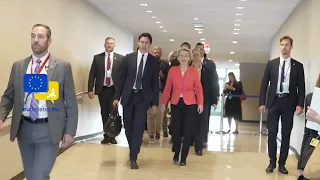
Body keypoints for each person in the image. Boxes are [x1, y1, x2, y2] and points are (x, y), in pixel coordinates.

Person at [0, 24, 78, 180]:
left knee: (39, 176)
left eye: (41, 36)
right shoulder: (19, 66)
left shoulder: (62, 67)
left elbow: (71, 102)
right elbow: (8, 96)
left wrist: (70, 131)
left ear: (49, 41)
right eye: (33, 36)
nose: (36, 40)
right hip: (24, 129)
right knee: (31, 175)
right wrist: (1, 116)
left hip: (49, 130)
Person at [259, 35, 305, 174]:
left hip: (288, 103)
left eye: (287, 45)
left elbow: (301, 87)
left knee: (286, 134)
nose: (284, 47)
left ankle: (282, 164)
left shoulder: (298, 66)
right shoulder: (271, 64)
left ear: (291, 47)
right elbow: (264, 85)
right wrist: (262, 103)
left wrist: (300, 104)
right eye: (282, 45)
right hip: (273, 102)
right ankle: (272, 162)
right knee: (272, 133)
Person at [113, 33, 159, 169]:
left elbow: (155, 84)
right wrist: (116, 97)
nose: (144, 45)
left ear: (149, 45)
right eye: (142, 42)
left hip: (142, 98)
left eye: (147, 43)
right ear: (138, 43)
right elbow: (121, 79)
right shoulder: (128, 58)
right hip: (128, 96)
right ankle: (133, 148)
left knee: (138, 127)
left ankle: (134, 157)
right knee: (128, 126)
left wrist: (155, 103)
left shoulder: (153, 61)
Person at [160, 47, 204, 166]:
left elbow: (199, 89)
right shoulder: (173, 70)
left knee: (187, 131)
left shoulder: (193, 72)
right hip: (176, 104)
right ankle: (176, 152)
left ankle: (183, 157)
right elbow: (168, 88)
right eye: (181, 56)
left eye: (186, 56)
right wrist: (164, 102)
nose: (183, 58)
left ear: (189, 58)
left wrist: (200, 103)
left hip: (190, 104)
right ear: (178, 58)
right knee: (176, 130)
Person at [88, 37, 124, 144]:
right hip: (102, 89)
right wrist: (90, 89)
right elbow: (92, 74)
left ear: (114, 45)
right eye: (107, 43)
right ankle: (106, 135)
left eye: (111, 43)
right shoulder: (97, 58)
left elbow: (122, 76)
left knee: (113, 111)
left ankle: (113, 135)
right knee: (104, 112)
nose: (109, 45)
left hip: (114, 89)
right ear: (104, 45)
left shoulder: (121, 58)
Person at [191, 48, 218, 156]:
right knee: (191, 122)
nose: (196, 56)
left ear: (202, 54)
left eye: (198, 54)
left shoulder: (206, 68)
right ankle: (190, 142)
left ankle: (199, 147)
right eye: (194, 54)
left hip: (204, 99)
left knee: (201, 123)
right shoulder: (188, 68)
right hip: (190, 99)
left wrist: (214, 100)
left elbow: (213, 83)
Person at [296, 73, 320, 180]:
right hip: (313, 148)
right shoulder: (311, 98)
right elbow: (307, 134)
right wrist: (300, 167)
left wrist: (318, 119)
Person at [147, 46, 169, 140]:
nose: (156, 54)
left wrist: (162, 75)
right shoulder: (148, 63)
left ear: (161, 53)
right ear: (152, 53)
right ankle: (151, 133)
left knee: (159, 113)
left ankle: (157, 132)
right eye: (155, 52)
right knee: (149, 113)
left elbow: (169, 79)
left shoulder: (165, 64)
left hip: (160, 91)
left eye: (158, 52)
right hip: (149, 91)